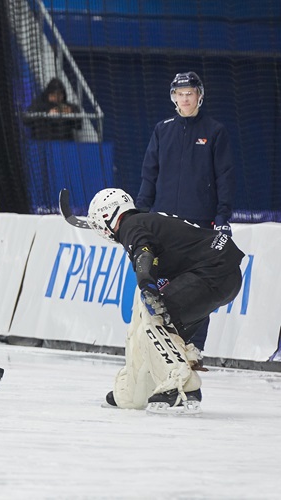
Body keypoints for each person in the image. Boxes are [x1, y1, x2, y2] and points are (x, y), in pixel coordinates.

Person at [86, 188, 244, 413]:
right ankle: (134, 391)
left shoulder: (131, 226)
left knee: (154, 315)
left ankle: (183, 386)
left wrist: (147, 285)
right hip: (224, 273)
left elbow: (144, 252)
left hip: (212, 273)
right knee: (154, 323)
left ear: (107, 217)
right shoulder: (146, 220)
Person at [136, 71, 235, 354]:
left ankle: (194, 346)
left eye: (190, 93)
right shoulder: (162, 130)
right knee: (161, 285)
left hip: (200, 223)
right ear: (173, 98)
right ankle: (164, 343)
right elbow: (149, 175)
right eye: (180, 94)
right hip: (164, 223)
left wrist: (222, 217)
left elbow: (225, 177)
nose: (185, 99)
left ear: (199, 96)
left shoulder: (215, 131)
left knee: (198, 286)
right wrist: (141, 212)